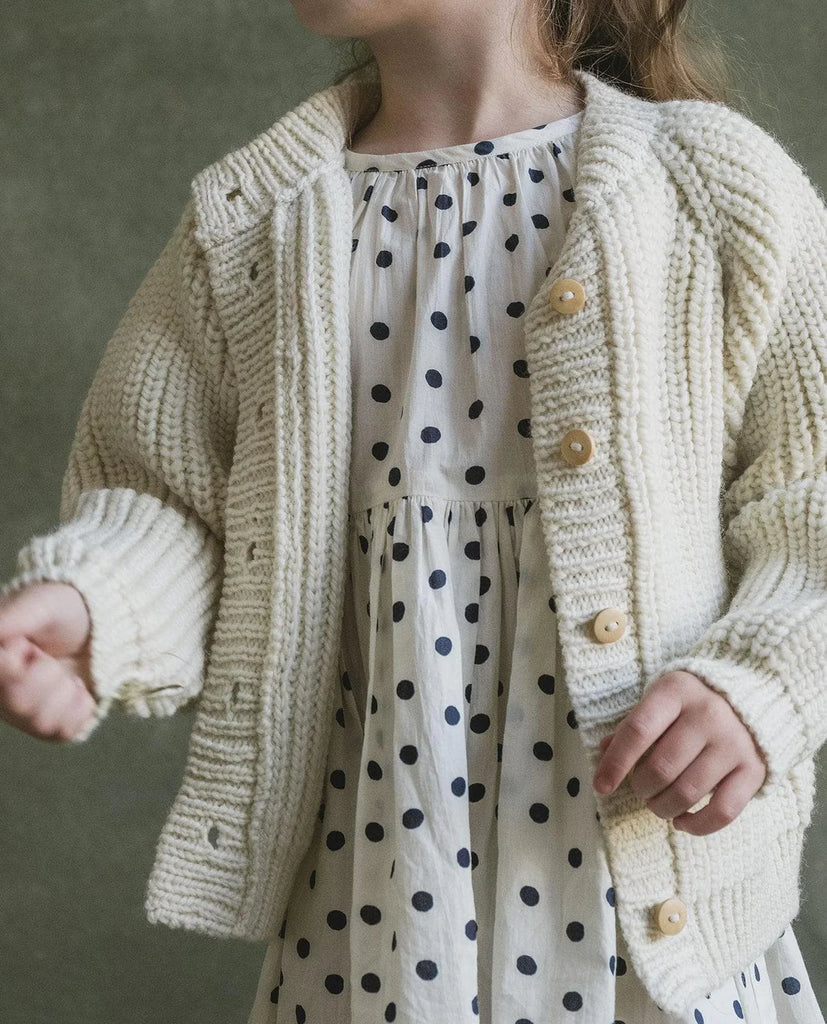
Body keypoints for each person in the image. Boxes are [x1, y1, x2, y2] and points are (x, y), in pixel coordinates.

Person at [1, 0, 825, 1021]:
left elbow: (809, 496)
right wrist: (95, 606)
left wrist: (757, 686)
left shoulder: (705, 188)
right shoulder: (252, 225)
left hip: (645, 922)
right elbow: (173, 503)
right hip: (373, 905)